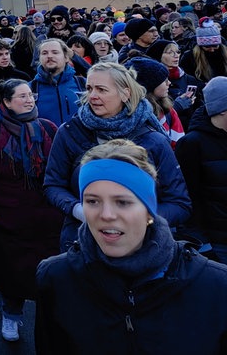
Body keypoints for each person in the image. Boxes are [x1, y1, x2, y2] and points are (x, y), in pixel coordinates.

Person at [36, 140, 227, 353]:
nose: (106, 215)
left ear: (149, 211)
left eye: (123, 202)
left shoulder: (216, 286)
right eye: (92, 201)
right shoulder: (56, 278)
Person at [44, 62, 191, 249]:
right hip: (84, 242)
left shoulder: (153, 139)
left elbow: (179, 203)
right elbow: (53, 185)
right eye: (89, 88)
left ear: (125, 93)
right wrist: (81, 211)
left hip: (145, 246)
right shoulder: (70, 132)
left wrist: (140, 219)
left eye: (102, 89)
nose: (93, 96)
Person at [0, 79, 61, 342]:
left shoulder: (48, 127)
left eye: (31, 95)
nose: (29, 100)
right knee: (12, 272)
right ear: (6, 102)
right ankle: (11, 315)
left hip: (46, 218)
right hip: (6, 218)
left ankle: (50, 320)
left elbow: (61, 167)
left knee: (49, 272)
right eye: (22, 96)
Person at [177, 77, 227, 261]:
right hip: (216, 244)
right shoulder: (192, 144)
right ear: (222, 110)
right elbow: (187, 196)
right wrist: (203, 245)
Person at [31, 38, 85, 127]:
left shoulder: (83, 84)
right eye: (44, 53)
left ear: (66, 57)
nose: (49, 56)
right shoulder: (30, 89)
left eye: (55, 52)